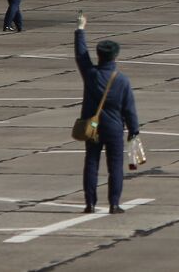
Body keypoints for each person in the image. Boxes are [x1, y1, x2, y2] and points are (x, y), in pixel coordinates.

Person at [76, 12, 139, 214]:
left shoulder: (91, 75)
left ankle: (90, 203)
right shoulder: (122, 80)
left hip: (92, 127)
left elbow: (81, 54)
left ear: (99, 55)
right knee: (115, 167)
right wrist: (134, 130)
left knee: (91, 163)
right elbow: (129, 108)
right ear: (115, 56)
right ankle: (114, 203)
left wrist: (80, 29)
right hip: (113, 127)